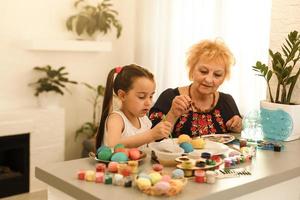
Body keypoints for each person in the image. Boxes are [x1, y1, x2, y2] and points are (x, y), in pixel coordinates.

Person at [149, 39, 242, 138]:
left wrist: (237, 126)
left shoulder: (227, 101)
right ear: (192, 69)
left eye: (217, 75)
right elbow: (151, 139)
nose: (209, 80)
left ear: (224, 78)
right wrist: (172, 114)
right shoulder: (169, 97)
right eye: (203, 71)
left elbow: (237, 138)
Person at [95, 64, 172, 149]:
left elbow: (148, 149)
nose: (148, 102)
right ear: (123, 95)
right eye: (141, 97)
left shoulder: (144, 120)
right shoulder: (116, 119)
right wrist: (150, 135)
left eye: (151, 96)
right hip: (117, 163)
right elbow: (113, 145)